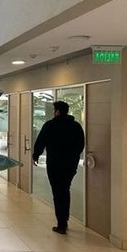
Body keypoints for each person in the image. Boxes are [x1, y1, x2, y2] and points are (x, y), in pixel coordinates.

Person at [32, 100, 85, 235]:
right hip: (70, 164)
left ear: (57, 111)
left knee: (57, 192)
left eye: (54, 110)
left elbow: (40, 142)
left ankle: (61, 223)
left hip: (54, 164)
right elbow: (81, 145)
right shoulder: (76, 126)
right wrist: (73, 157)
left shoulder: (50, 125)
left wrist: (36, 155)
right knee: (65, 190)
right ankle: (64, 219)